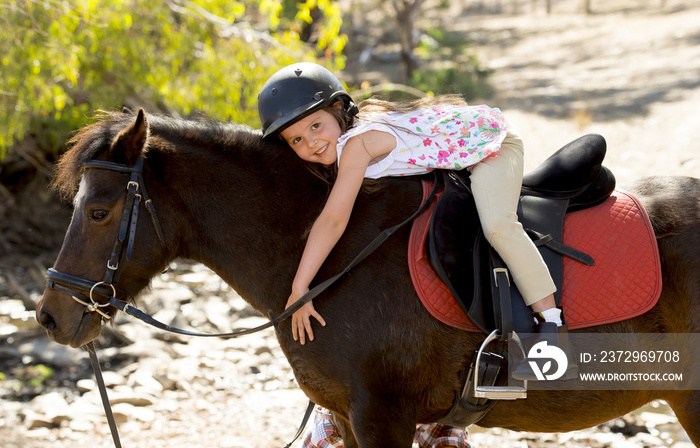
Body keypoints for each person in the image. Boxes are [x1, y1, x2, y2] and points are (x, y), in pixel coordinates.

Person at [257, 62, 577, 381]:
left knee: (497, 224)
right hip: (459, 154)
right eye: (296, 140)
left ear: (338, 108)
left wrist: (300, 286)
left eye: (315, 126)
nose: (310, 142)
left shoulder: (358, 145)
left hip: (491, 146)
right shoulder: (347, 140)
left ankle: (550, 321)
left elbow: (334, 220)